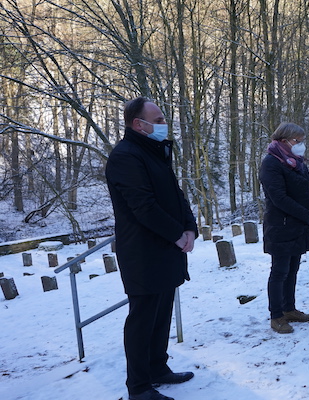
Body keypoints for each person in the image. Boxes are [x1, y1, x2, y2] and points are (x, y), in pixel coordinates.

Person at [105, 97, 197, 400]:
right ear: (138, 124)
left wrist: (189, 228)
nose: (163, 123)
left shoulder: (155, 152)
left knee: (162, 314)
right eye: (157, 120)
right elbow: (143, 206)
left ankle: (158, 367)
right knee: (143, 318)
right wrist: (176, 235)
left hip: (167, 247)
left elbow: (175, 194)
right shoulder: (125, 156)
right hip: (143, 251)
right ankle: (140, 386)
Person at [259, 122, 309, 334]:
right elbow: (279, 197)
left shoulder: (297, 162)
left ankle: (289, 308)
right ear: (284, 141)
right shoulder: (271, 163)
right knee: (279, 272)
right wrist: (306, 215)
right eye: (297, 141)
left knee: (293, 269)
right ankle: (276, 316)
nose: (301, 145)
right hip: (281, 226)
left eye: (302, 141)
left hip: (299, 225)